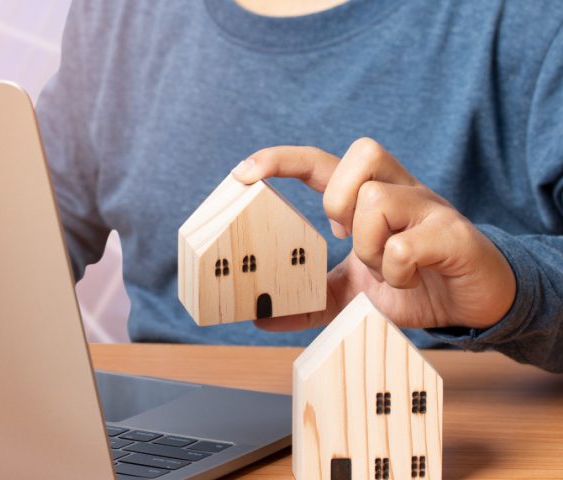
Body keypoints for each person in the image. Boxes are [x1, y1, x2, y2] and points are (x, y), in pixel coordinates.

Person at [35, 0, 563, 372]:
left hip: (434, 423)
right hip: (168, 434)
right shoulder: (113, 14)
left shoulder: (530, 19)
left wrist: (514, 291)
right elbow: (8, 250)